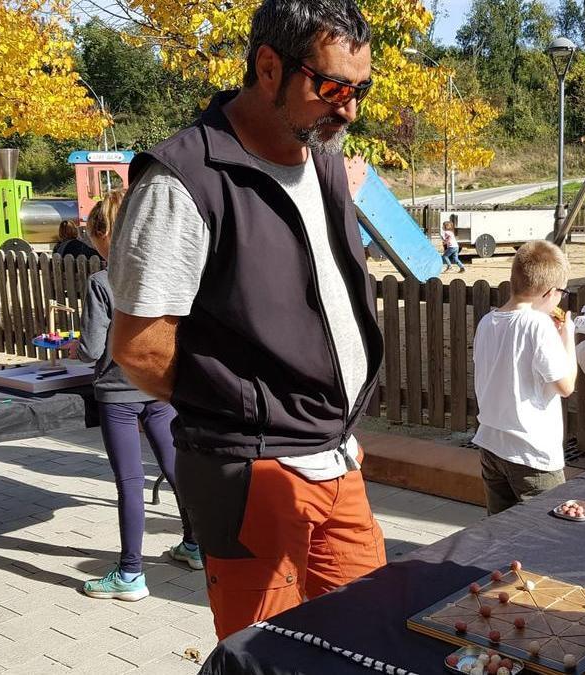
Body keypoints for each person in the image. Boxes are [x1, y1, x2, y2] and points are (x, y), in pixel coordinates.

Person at [108, 0, 386, 640]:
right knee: (267, 656)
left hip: (335, 455)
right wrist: (252, 416)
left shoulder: (321, 159)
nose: (350, 108)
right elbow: (140, 346)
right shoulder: (183, 180)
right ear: (268, 66)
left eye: (360, 89)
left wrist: (330, 418)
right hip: (251, 471)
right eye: (333, 87)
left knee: (370, 634)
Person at [71, 191, 201, 602]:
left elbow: (92, 349)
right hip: (158, 386)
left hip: (117, 394)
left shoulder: (101, 282)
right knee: (176, 468)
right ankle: (196, 545)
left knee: (129, 483)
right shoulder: (163, 274)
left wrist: (72, 346)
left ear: (102, 233)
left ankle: (130, 573)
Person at [472, 241, 577, 515]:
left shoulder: (487, 322)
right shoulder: (538, 325)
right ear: (551, 292)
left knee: (500, 529)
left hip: (493, 443)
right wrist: (568, 338)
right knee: (546, 533)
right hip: (532, 454)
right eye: (561, 294)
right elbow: (566, 385)